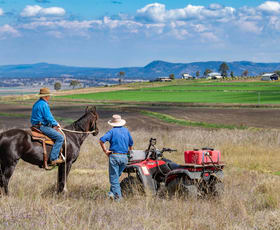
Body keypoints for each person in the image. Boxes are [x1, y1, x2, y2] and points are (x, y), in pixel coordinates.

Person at [99, 114, 133, 201]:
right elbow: (131, 144)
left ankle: (118, 199)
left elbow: (101, 140)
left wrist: (105, 151)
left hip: (114, 156)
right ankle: (111, 194)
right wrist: (130, 154)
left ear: (113, 124)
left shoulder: (112, 132)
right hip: (125, 157)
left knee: (114, 179)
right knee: (116, 177)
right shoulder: (126, 131)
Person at [30, 87, 64, 165]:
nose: (49, 97)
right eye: (49, 96)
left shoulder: (36, 103)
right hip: (42, 127)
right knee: (60, 138)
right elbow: (48, 117)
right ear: (46, 96)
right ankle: (54, 158)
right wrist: (56, 124)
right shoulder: (44, 104)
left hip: (35, 126)